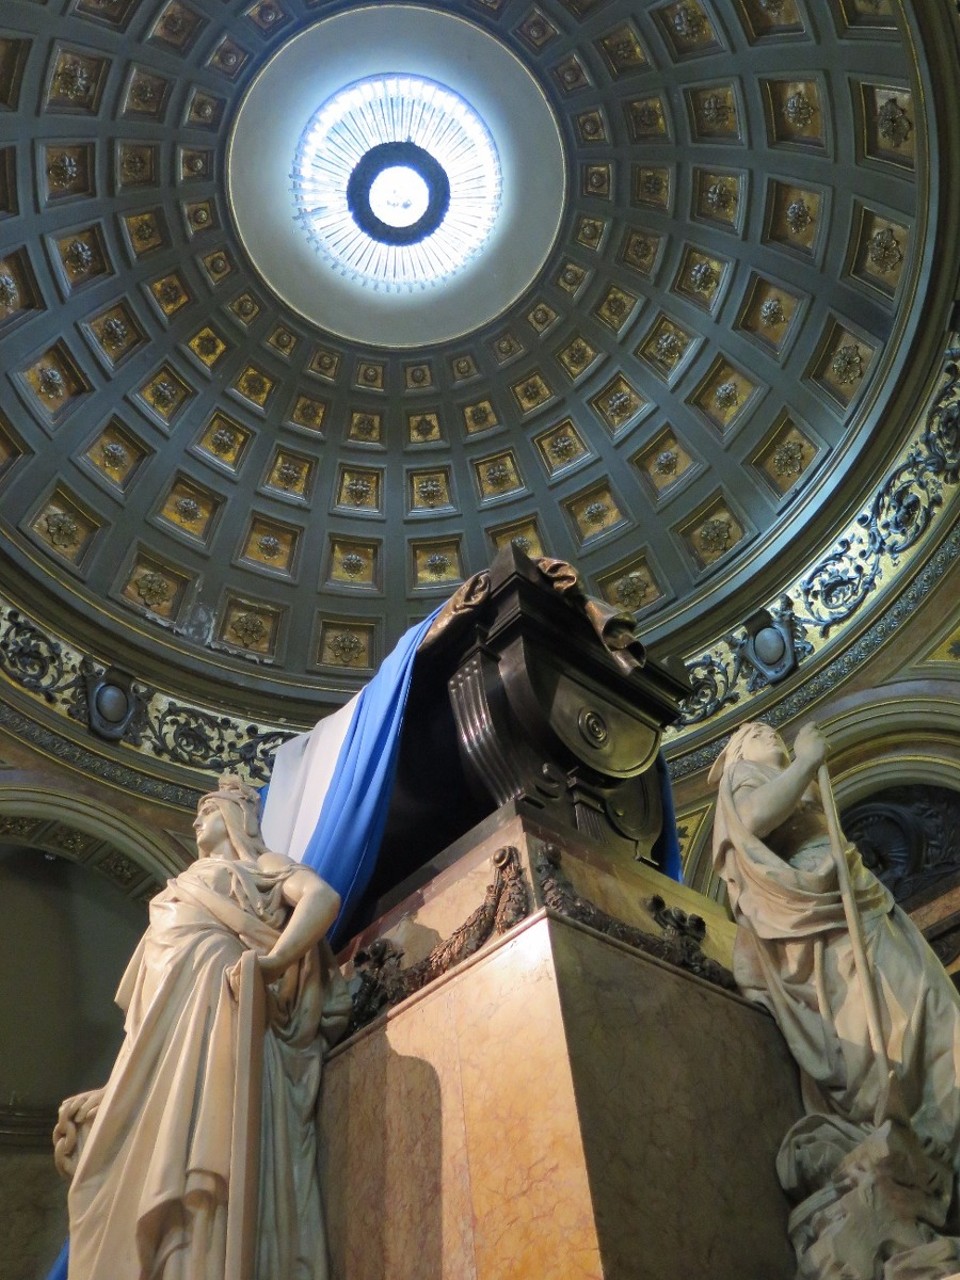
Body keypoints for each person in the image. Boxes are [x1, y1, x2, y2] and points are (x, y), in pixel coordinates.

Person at [53, 774, 351, 1280]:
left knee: (205, 1176)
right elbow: (143, 1028)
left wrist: (275, 960)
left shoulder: (260, 866)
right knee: (98, 1187)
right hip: (165, 1050)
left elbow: (322, 898)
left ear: (235, 819)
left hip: (224, 1021)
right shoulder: (174, 894)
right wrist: (111, 1091)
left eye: (207, 810)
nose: (196, 819)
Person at [710, 722, 960, 1275]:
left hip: (867, 913)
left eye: (772, 733)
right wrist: (803, 761)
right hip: (832, 934)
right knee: (905, 1027)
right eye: (758, 733)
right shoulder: (744, 778)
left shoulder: (790, 786)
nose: (770, 737)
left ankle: (940, 1137)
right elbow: (750, 824)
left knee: (940, 1014)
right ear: (737, 752)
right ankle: (925, 1137)